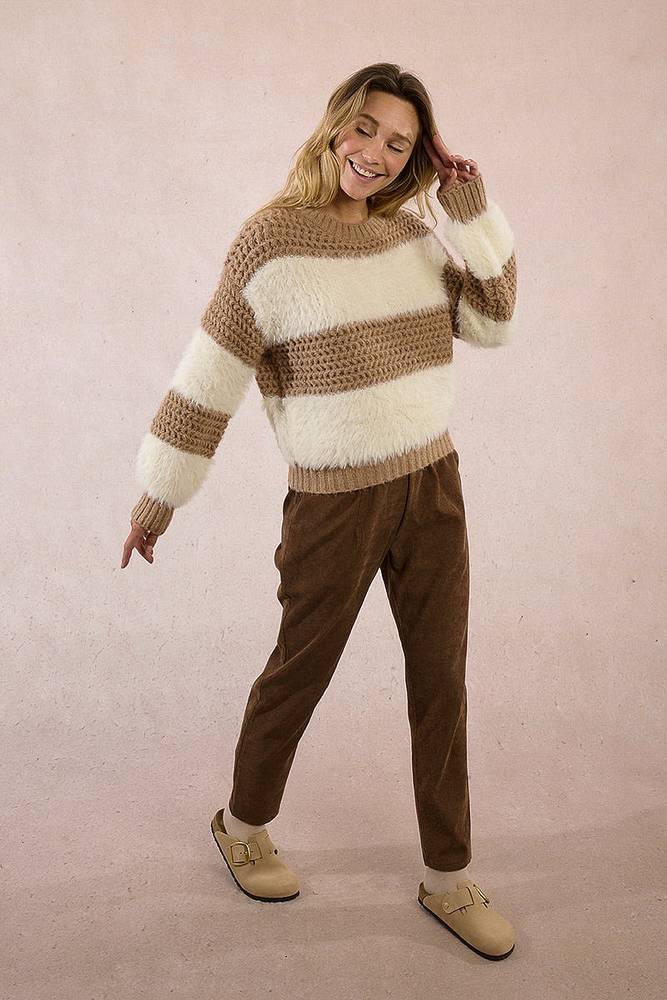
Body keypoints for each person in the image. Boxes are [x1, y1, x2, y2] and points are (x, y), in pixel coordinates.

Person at [121, 62, 518, 960]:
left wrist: (466, 203)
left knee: (441, 683)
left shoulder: (412, 233)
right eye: (365, 128)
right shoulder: (270, 241)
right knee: (299, 672)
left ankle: (448, 877)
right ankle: (242, 825)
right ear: (335, 125)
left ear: (417, 159)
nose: (375, 153)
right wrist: (158, 497)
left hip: (433, 487)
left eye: (400, 144)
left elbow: (494, 319)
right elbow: (209, 376)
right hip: (334, 507)